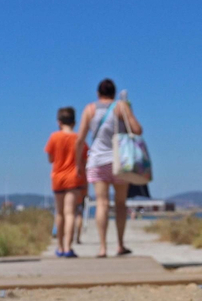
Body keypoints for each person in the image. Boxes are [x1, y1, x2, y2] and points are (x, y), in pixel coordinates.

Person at [76, 78, 143, 257]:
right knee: (120, 204)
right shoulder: (121, 107)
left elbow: (80, 139)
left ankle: (102, 247)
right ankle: (120, 244)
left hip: (97, 161)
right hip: (119, 161)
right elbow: (137, 129)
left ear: (98, 93)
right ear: (114, 93)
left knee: (101, 203)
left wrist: (78, 163)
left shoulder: (89, 109)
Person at [45, 106, 84, 257]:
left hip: (58, 178)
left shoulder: (54, 137)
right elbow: (85, 158)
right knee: (70, 213)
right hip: (73, 178)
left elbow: (50, 158)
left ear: (59, 122)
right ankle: (68, 247)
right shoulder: (78, 138)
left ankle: (60, 247)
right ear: (74, 122)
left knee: (59, 213)